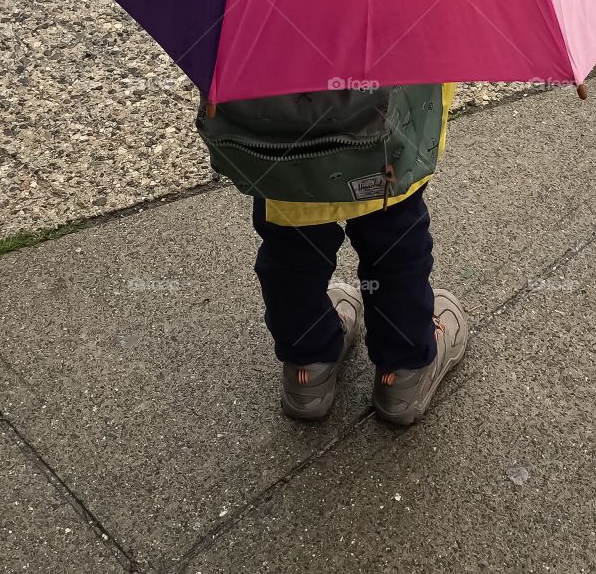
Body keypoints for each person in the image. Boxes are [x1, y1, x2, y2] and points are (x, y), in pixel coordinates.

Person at [197, 83, 467, 426]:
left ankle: (307, 369)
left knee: (291, 248)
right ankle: (403, 372)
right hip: (386, 141)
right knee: (394, 244)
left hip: (282, 142)